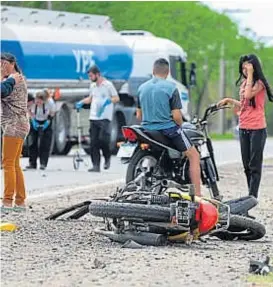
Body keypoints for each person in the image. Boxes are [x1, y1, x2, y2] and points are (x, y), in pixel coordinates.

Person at [136, 58, 202, 196]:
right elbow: (177, 117)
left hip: (146, 130)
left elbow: (139, 116)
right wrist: (179, 125)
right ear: (168, 72)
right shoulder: (171, 88)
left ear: (153, 71)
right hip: (167, 129)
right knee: (194, 155)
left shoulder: (142, 88)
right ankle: (198, 195)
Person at [218, 54, 273, 198]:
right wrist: (230, 100)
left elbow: (248, 95)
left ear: (254, 67)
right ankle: (250, 195)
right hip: (244, 127)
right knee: (247, 166)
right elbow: (244, 103)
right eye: (243, 68)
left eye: (247, 67)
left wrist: (250, 74)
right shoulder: (244, 84)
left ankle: (252, 196)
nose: (244, 70)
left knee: (255, 166)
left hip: (257, 129)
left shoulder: (259, 83)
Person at [75, 65, 120, 172]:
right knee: (93, 142)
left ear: (97, 74)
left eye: (91, 76)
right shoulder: (93, 86)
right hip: (94, 117)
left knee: (103, 140)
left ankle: (107, 157)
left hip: (104, 117)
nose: (90, 78)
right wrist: (81, 102)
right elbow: (91, 98)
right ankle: (96, 165)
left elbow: (116, 98)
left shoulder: (108, 85)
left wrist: (109, 101)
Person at [1, 52, 30, 210]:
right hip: (19, 124)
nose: (1, 67)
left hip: (14, 125)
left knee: (8, 163)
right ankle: (20, 201)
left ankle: (7, 201)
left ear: (12, 64)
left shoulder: (15, 80)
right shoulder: (13, 79)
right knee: (15, 164)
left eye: (3, 64)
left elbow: (1, 92)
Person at [25, 90, 56, 170]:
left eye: (40, 102)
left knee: (45, 143)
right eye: (37, 101)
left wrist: (47, 122)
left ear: (45, 101)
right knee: (32, 143)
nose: (38, 103)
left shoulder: (50, 103)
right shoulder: (32, 103)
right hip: (35, 119)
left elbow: (52, 113)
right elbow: (28, 111)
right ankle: (32, 163)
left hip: (46, 120)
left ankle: (43, 163)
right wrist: (33, 121)